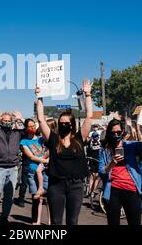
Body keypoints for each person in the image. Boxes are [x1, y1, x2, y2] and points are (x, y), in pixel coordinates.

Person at [36, 80, 93, 225]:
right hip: (56, 185)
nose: (63, 125)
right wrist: (40, 97)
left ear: (72, 125)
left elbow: (89, 117)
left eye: (66, 123)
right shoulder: (53, 139)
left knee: (72, 221)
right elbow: (41, 120)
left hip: (76, 185)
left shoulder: (80, 138)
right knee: (56, 221)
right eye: (61, 123)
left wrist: (88, 94)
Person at [0, 111, 25, 225]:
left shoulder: (17, 133)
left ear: (12, 122)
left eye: (9, 121)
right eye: (5, 121)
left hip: (13, 168)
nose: (7, 122)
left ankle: (4, 217)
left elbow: (28, 129)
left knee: (9, 196)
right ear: (1, 121)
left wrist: (21, 119)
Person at [20, 119, 49, 225]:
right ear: (26, 128)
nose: (32, 128)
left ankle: (49, 221)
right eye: (30, 126)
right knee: (35, 197)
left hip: (44, 171)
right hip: (32, 172)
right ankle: (35, 220)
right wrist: (45, 160)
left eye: (34, 126)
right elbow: (31, 157)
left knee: (47, 196)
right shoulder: (24, 142)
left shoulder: (41, 139)